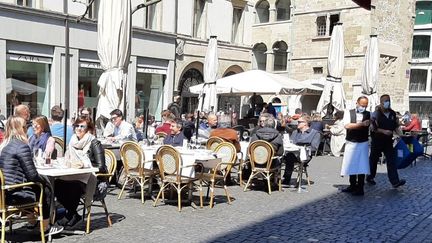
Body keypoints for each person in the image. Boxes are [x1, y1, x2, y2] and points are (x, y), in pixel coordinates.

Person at [0, 116, 63, 235]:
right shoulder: (21, 146)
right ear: (21, 129)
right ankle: (45, 228)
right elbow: (32, 175)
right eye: (25, 127)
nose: (27, 129)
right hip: (15, 194)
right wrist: (43, 182)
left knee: (36, 187)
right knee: (46, 188)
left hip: (5, 193)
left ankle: (32, 222)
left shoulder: (5, 147)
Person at [55, 116, 107, 227]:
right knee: (57, 184)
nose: (78, 128)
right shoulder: (73, 141)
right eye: (77, 126)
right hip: (74, 175)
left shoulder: (94, 142)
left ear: (88, 129)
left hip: (94, 179)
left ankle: (70, 216)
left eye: (82, 126)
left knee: (73, 186)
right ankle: (73, 214)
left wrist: (84, 165)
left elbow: (101, 167)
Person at [367, 94, 406, 188]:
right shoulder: (376, 114)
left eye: (388, 101)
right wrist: (384, 131)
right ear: (381, 103)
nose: (387, 103)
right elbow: (372, 128)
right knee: (373, 159)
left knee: (391, 160)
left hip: (388, 141)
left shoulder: (392, 113)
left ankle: (395, 181)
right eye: (385, 101)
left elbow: (396, 126)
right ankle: (370, 177)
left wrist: (402, 135)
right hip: (377, 140)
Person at [340, 96, 370, 196]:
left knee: (362, 165)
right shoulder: (349, 112)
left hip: (363, 142)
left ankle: (360, 187)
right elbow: (347, 125)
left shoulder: (368, 114)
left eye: (365, 106)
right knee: (351, 164)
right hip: (351, 141)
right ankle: (352, 185)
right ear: (357, 103)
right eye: (362, 105)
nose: (363, 107)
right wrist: (361, 124)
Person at [283, 115, 321, 185]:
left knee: (289, 157)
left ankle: (286, 179)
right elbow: (291, 143)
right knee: (279, 157)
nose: (298, 123)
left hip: (305, 155)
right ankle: (274, 180)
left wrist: (302, 148)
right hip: (293, 153)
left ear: (305, 123)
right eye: (298, 122)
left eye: (299, 122)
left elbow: (314, 148)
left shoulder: (315, 133)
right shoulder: (295, 132)